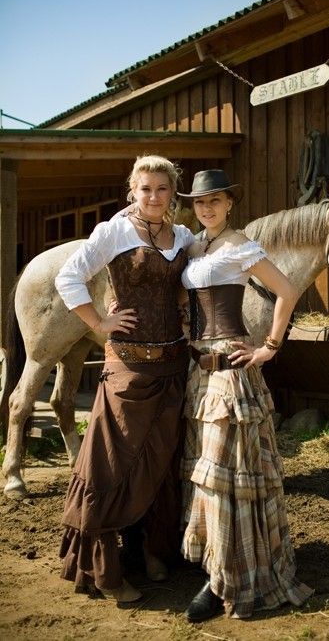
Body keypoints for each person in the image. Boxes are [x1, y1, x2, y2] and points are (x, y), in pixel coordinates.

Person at [55, 155, 195, 603]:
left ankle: (151, 552)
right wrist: (98, 323)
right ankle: (105, 569)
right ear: (132, 190)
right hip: (129, 367)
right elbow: (69, 275)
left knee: (159, 461)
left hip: (173, 365)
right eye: (145, 188)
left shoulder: (185, 236)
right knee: (112, 462)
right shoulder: (112, 231)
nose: (153, 196)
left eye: (162, 189)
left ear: (173, 193)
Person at [178, 169, 312, 621]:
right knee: (208, 474)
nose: (207, 208)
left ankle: (225, 581)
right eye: (199, 202)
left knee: (228, 476)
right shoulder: (195, 245)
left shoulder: (240, 246)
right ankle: (217, 564)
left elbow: (287, 290)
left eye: (214, 200)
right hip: (198, 371)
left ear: (230, 203)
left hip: (232, 371)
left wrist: (269, 347)